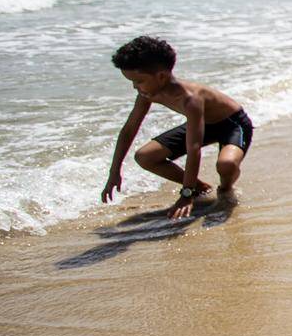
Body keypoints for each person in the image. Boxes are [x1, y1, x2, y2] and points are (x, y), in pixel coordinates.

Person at [103, 35, 252, 220]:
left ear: (161, 76)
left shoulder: (191, 99)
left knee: (226, 165)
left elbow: (194, 148)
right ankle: (200, 188)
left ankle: (225, 189)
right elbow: (128, 130)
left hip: (233, 124)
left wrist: (185, 195)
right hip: (204, 124)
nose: (135, 87)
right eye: (131, 82)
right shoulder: (147, 93)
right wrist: (114, 171)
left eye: (139, 81)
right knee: (145, 157)